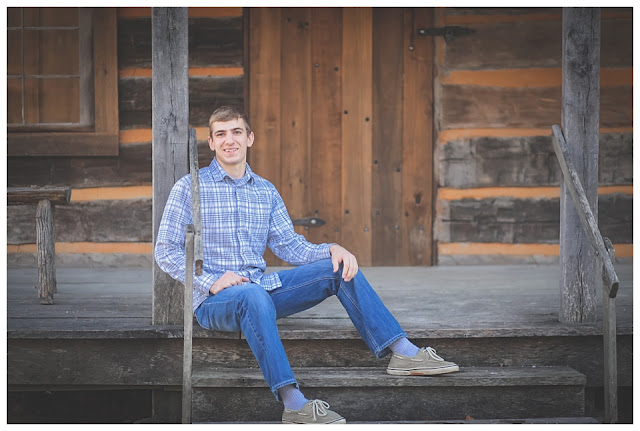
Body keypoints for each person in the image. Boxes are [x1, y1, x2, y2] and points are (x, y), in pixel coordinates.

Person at [155, 105, 459, 424]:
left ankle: (402, 352)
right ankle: (294, 404)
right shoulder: (190, 187)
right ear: (211, 143)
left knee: (337, 267)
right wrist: (210, 282)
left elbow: (291, 246)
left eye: (236, 132)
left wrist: (333, 248)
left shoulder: (265, 191)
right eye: (221, 134)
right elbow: (165, 250)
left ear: (250, 138)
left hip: (261, 291)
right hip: (216, 302)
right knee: (252, 296)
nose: (229, 140)